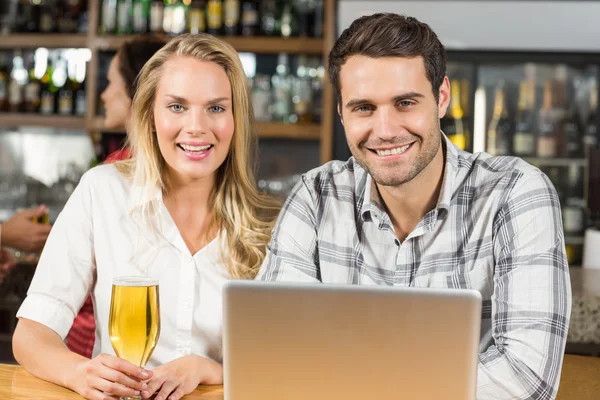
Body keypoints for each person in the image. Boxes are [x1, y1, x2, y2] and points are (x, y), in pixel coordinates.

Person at [257, 13, 571, 400]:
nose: (386, 130)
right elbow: (274, 352)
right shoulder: (316, 195)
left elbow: (525, 379)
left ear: (441, 98)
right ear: (341, 113)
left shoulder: (515, 192)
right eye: (364, 108)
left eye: (405, 103)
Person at [13, 33, 279, 400]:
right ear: (151, 115)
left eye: (216, 108)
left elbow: (282, 362)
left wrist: (209, 369)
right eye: (177, 107)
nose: (197, 127)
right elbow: (30, 335)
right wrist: (79, 373)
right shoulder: (101, 191)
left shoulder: (269, 225)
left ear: (236, 121)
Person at [65, 36, 167, 360]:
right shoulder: (109, 174)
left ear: (139, 93)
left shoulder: (120, 171)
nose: (104, 94)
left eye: (111, 84)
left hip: (95, 348)